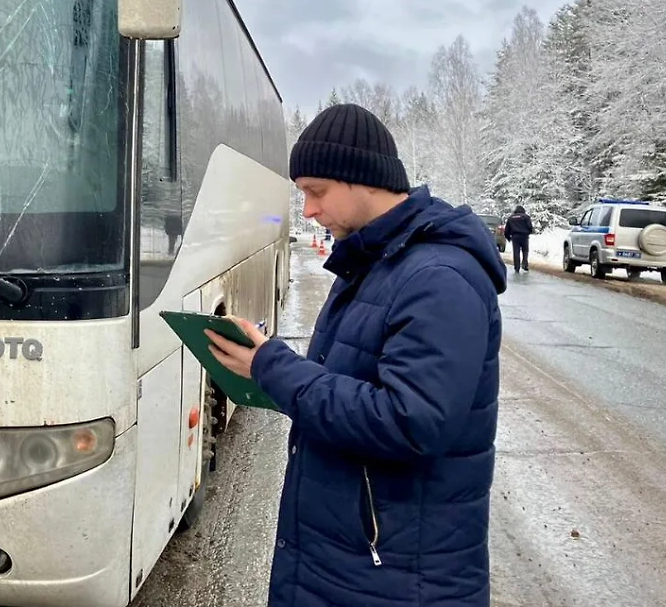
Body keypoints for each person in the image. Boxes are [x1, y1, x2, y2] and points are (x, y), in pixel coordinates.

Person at [206, 103, 506, 607]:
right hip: (352, 567)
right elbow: (346, 385)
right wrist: (264, 366)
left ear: (363, 179)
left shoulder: (437, 279)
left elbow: (411, 422)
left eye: (316, 192)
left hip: (397, 581)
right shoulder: (376, 266)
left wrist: (274, 367)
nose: (308, 211)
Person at [504, 204, 534, 273]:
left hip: (515, 237)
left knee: (516, 252)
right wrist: (529, 232)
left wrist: (508, 237)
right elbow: (530, 227)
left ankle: (517, 267)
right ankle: (525, 264)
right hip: (524, 236)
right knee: (525, 250)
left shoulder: (511, 218)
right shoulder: (526, 217)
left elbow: (507, 229)